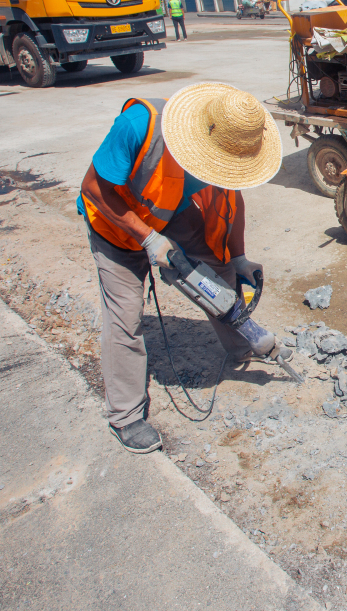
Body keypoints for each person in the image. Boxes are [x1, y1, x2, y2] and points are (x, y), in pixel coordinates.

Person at [78, 83, 283, 453]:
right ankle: (125, 415)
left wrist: (238, 257)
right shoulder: (139, 125)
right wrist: (148, 240)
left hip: (167, 211)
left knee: (219, 270)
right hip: (114, 224)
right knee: (125, 315)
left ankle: (243, 343)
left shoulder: (225, 151)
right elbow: (93, 188)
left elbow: (231, 203)